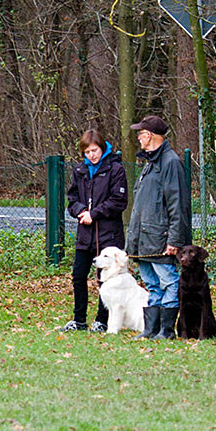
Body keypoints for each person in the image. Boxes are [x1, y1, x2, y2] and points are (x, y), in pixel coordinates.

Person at [124, 115, 192, 340]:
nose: (138, 138)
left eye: (140, 133)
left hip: (160, 238)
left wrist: (174, 239)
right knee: (152, 284)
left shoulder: (170, 162)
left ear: (150, 135)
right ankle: (151, 329)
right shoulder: (150, 163)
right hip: (144, 239)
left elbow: (178, 204)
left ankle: (166, 330)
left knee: (168, 281)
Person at [59, 128, 129, 332]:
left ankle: (102, 320)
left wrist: (94, 213)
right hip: (84, 235)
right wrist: (81, 211)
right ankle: (79, 319)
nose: (92, 155)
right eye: (88, 152)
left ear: (102, 148)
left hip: (108, 234)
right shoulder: (80, 171)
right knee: (79, 275)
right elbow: (72, 200)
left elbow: (118, 201)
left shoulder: (115, 169)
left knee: (106, 279)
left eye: (95, 150)